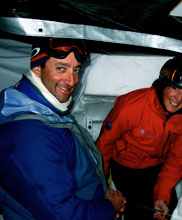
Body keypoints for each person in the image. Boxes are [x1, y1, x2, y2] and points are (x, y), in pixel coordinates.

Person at [0, 37, 126, 219]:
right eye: (61, 68)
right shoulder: (31, 135)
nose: (72, 80)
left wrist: (100, 195)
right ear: (37, 67)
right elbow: (64, 214)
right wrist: (108, 208)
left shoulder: (43, 110)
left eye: (76, 70)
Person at [96, 56, 182, 219]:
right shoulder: (131, 106)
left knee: (167, 213)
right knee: (138, 214)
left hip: (157, 168)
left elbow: (177, 160)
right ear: (163, 85)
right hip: (126, 166)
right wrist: (102, 187)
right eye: (174, 88)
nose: (178, 98)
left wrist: (162, 196)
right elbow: (103, 146)